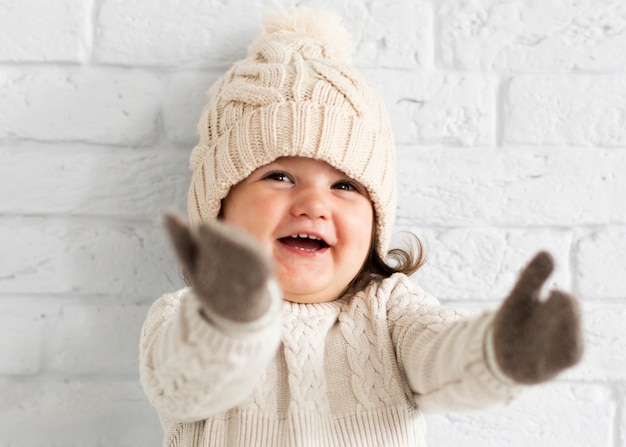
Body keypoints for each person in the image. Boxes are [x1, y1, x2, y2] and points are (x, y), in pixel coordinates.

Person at [139, 8, 583, 447]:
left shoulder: (391, 312)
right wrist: (230, 316)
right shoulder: (185, 316)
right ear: (218, 207)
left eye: (345, 185)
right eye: (279, 176)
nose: (313, 203)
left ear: (375, 222)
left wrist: (496, 350)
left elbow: (442, 356)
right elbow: (186, 381)